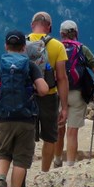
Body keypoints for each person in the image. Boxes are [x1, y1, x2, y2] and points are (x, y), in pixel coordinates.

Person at [0, 29, 50, 187]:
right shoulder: (29, 65)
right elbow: (44, 89)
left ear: (6, 46)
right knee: (21, 158)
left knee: (4, 152)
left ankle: (1, 179)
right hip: (26, 117)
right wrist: (32, 89)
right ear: (24, 47)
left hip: (4, 116)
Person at [58, 20, 94, 166]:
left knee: (59, 129)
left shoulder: (55, 48)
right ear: (76, 33)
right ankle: (70, 165)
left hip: (59, 95)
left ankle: (57, 161)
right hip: (78, 95)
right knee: (72, 132)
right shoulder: (82, 49)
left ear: (61, 34)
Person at [28, 11, 68, 174]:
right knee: (50, 137)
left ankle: (23, 172)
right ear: (49, 28)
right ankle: (44, 173)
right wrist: (64, 107)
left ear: (32, 25)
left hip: (27, 96)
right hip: (50, 95)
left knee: (27, 135)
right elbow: (62, 78)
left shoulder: (22, 43)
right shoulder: (57, 46)